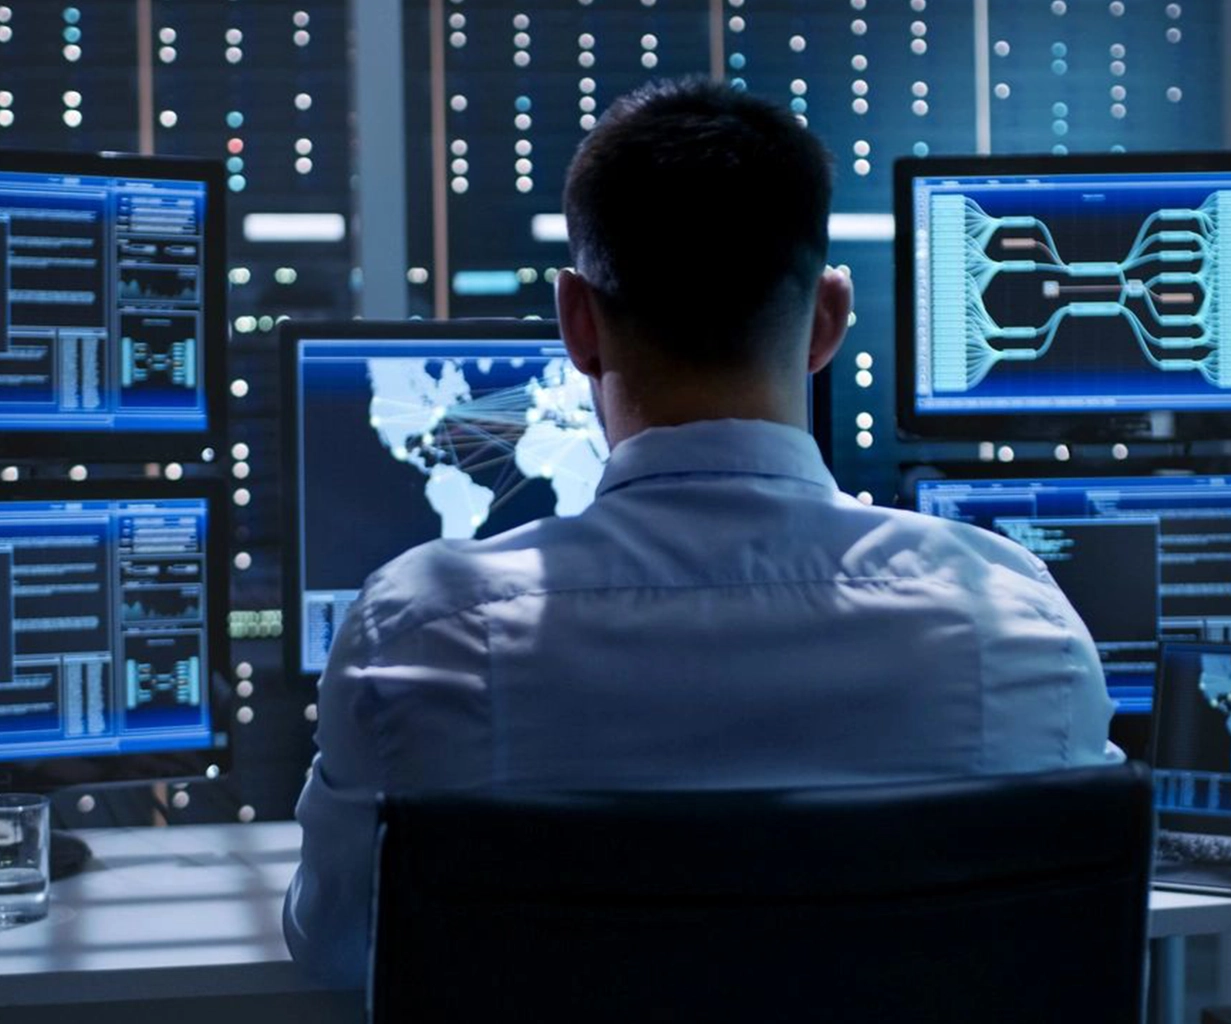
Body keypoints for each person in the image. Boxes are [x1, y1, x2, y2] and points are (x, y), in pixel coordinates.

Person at [284, 77, 1121, 988]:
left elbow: (336, 947)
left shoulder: (423, 631)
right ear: (829, 320)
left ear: (577, 321)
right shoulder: (1015, 620)